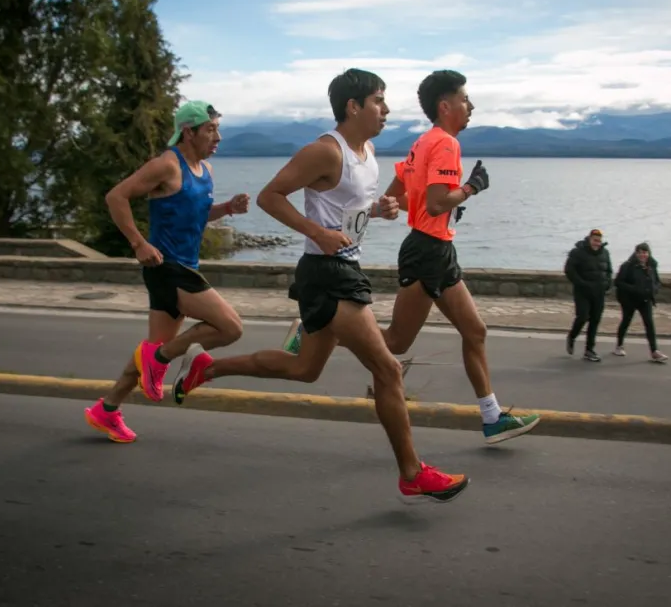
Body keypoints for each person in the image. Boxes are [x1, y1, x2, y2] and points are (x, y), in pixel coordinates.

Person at [164, 68, 471, 504]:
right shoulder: (326, 151)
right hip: (327, 273)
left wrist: (381, 209)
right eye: (379, 101)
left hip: (343, 269)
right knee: (386, 369)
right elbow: (271, 195)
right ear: (353, 106)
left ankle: (206, 367)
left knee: (303, 370)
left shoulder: (368, 155)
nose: (386, 109)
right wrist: (319, 232)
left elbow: (351, 211)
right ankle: (412, 472)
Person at [287, 69, 540, 445]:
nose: (470, 106)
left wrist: (443, 208)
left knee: (470, 332)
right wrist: (469, 189)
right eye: (465, 99)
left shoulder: (422, 144)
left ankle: (491, 417)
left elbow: (401, 199)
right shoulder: (446, 146)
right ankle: (314, 330)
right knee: (398, 343)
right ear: (445, 105)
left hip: (436, 248)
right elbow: (436, 202)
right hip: (428, 252)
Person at [84, 100, 251, 443]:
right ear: (188, 132)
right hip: (167, 267)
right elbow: (116, 196)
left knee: (154, 348)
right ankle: (159, 358)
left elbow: (195, 216)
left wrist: (227, 209)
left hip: (183, 265)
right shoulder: (166, 164)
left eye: (218, 128)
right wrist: (138, 243)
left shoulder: (204, 170)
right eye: (210, 129)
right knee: (231, 327)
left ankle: (108, 410)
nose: (217, 137)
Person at [613, 242, 668, 363]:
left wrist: (655, 289)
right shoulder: (627, 266)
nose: (642, 255)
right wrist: (634, 289)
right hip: (629, 300)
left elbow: (657, 281)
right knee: (626, 321)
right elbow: (618, 282)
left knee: (649, 324)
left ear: (648, 253)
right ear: (636, 253)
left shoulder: (652, 266)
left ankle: (654, 351)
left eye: (645, 252)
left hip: (645, 299)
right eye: (640, 252)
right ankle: (619, 345)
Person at [564, 229, 613, 362]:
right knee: (583, 316)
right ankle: (572, 336)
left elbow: (609, 270)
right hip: (583, 292)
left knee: (595, 320)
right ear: (589, 239)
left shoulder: (605, 253)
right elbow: (569, 270)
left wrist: (607, 283)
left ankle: (589, 350)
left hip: (599, 293)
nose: (597, 243)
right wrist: (582, 283)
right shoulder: (578, 252)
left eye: (599, 241)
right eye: (594, 240)